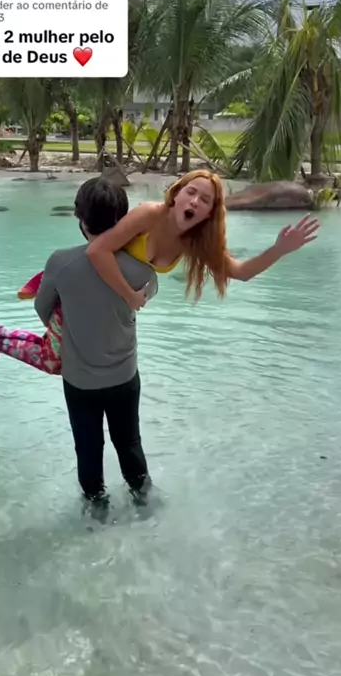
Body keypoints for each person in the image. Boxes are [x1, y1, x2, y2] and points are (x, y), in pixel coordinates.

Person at [34, 177, 157, 516]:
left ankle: (96, 515)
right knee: (129, 442)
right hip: (124, 375)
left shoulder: (60, 262)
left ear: (80, 218)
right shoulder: (140, 267)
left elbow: (43, 309)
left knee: (88, 448)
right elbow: (149, 292)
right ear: (124, 220)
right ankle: (145, 505)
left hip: (80, 380)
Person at [87, 169, 320, 309]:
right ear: (176, 194)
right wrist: (130, 296)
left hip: (115, 308)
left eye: (205, 200)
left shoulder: (194, 241)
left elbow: (241, 272)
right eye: (191, 192)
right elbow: (97, 251)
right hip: (91, 285)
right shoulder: (150, 214)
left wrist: (279, 249)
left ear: (209, 214)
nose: (195, 201)